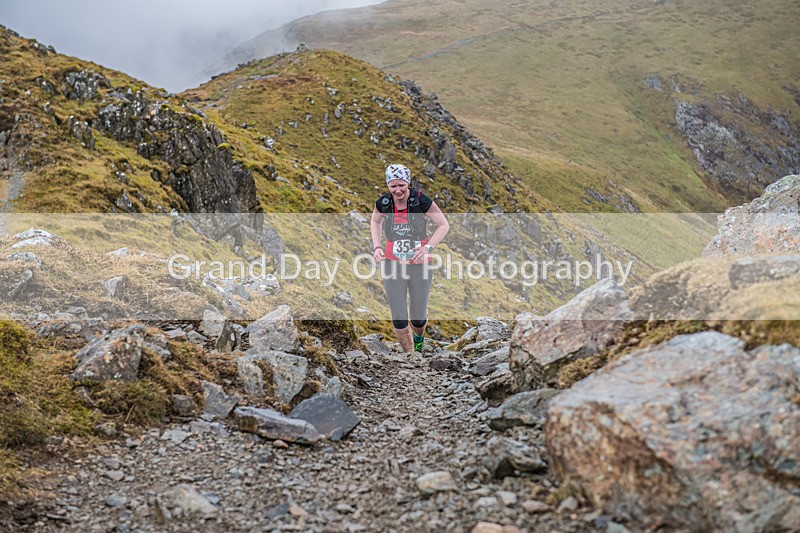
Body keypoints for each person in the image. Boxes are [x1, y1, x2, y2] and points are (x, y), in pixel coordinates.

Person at [371, 164, 449, 354]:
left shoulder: (420, 200)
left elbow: (443, 225)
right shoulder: (383, 202)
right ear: (388, 185)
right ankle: (411, 356)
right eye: (393, 186)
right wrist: (377, 247)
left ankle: (419, 340)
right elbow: (375, 221)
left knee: (418, 317)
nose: (398, 190)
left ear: (408, 183)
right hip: (392, 263)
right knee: (398, 316)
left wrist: (428, 247)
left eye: (402, 186)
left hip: (419, 264)